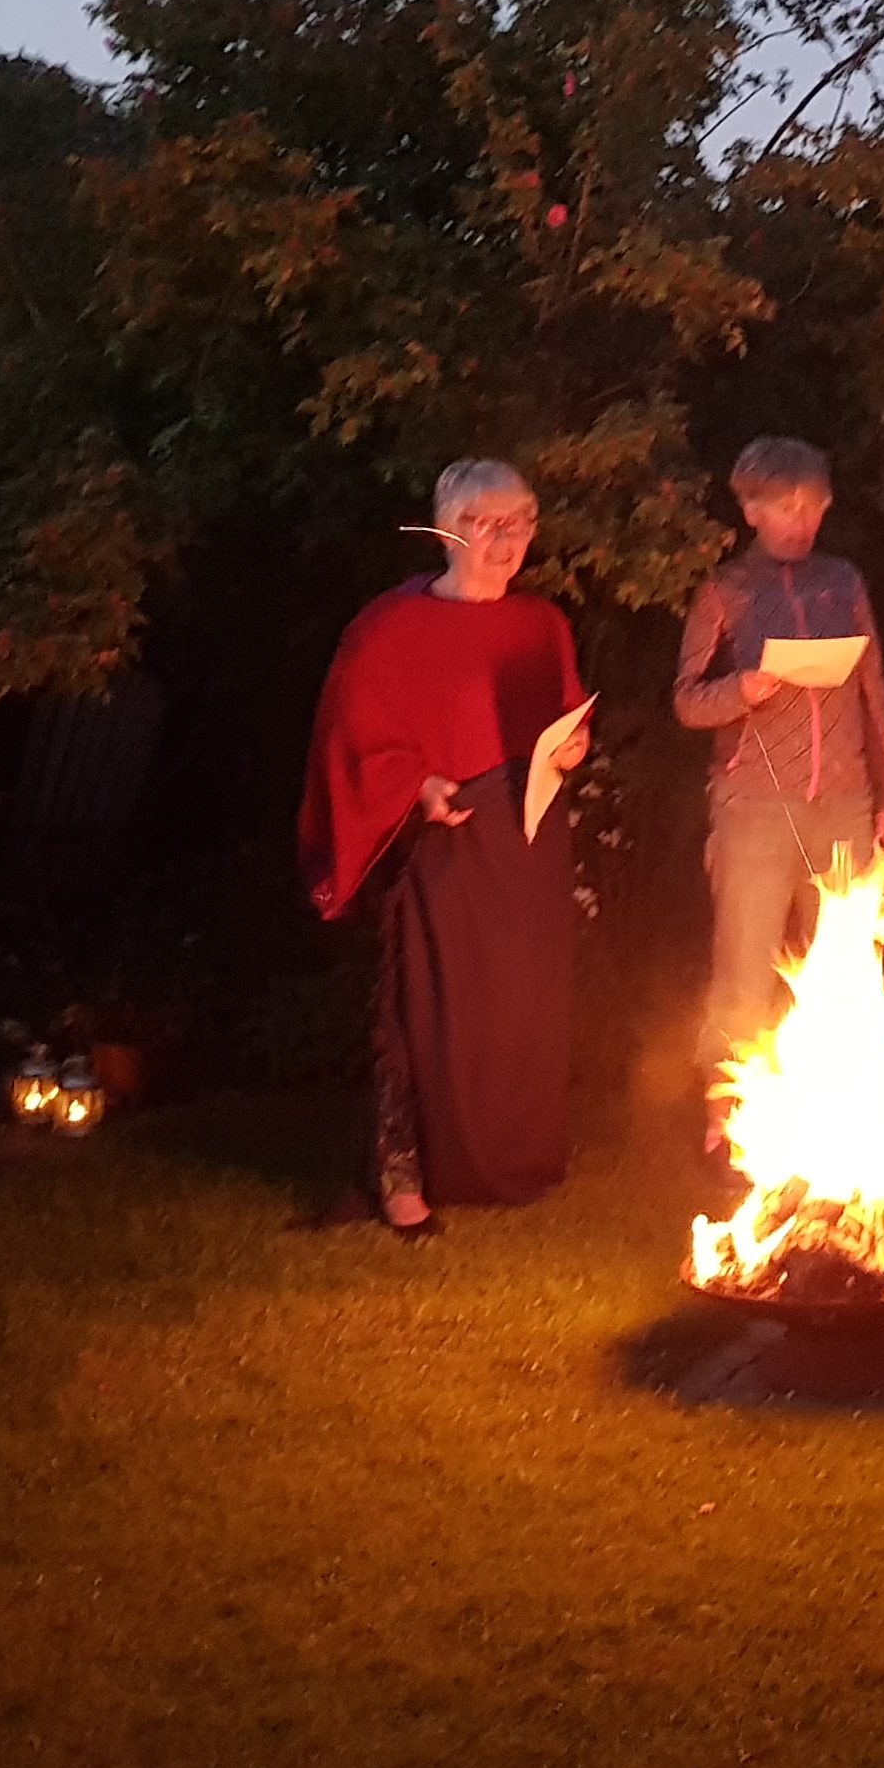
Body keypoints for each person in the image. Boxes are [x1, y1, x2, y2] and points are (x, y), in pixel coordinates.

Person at [299, 459, 599, 1234]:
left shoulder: (541, 624)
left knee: (521, 1001)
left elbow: (564, 716)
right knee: (430, 1006)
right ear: (445, 529)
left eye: (521, 523)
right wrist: (419, 784)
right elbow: (351, 740)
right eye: (488, 524)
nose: (508, 540)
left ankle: (505, 1160)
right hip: (444, 839)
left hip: (526, 839)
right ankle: (405, 1176)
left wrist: (572, 746)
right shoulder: (392, 627)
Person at [671, 436, 884, 1087]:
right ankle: (725, 1116)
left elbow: (873, 688)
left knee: (847, 960)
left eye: (814, 506)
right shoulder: (726, 591)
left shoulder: (842, 582)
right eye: (786, 507)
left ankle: (841, 1103)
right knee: (744, 969)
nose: (802, 521)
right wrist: (739, 691)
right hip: (754, 804)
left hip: (844, 801)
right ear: (752, 510)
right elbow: (686, 700)